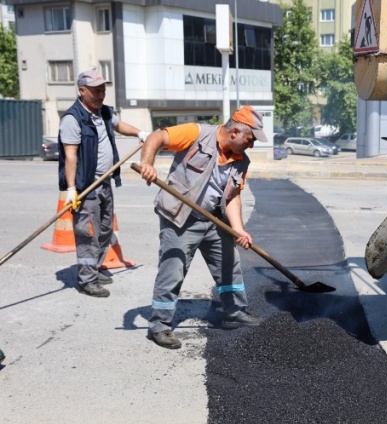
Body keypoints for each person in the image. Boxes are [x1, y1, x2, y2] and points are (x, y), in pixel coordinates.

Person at [137, 105, 267, 349]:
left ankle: (235, 311)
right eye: (250, 140)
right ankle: (160, 326)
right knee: (173, 269)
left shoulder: (241, 161)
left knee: (229, 264)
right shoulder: (196, 133)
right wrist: (147, 162)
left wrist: (238, 228)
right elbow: (157, 136)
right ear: (235, 132)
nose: (251, 146)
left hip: (213, 218)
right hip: (180, 218)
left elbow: (232, 196)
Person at [58, 68, 148, 298]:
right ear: (82, 91)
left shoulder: (104, 112)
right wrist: (71, 189)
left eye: (103, 89)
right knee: (88, 233)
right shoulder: (72, 118)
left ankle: (95, 268)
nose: (101, 94)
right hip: (86, 186)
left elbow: (119, 126)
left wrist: (140, 133)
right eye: (97, 90)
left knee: (105, 229)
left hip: (105, 182)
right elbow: (71, 156)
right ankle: (87, 279)